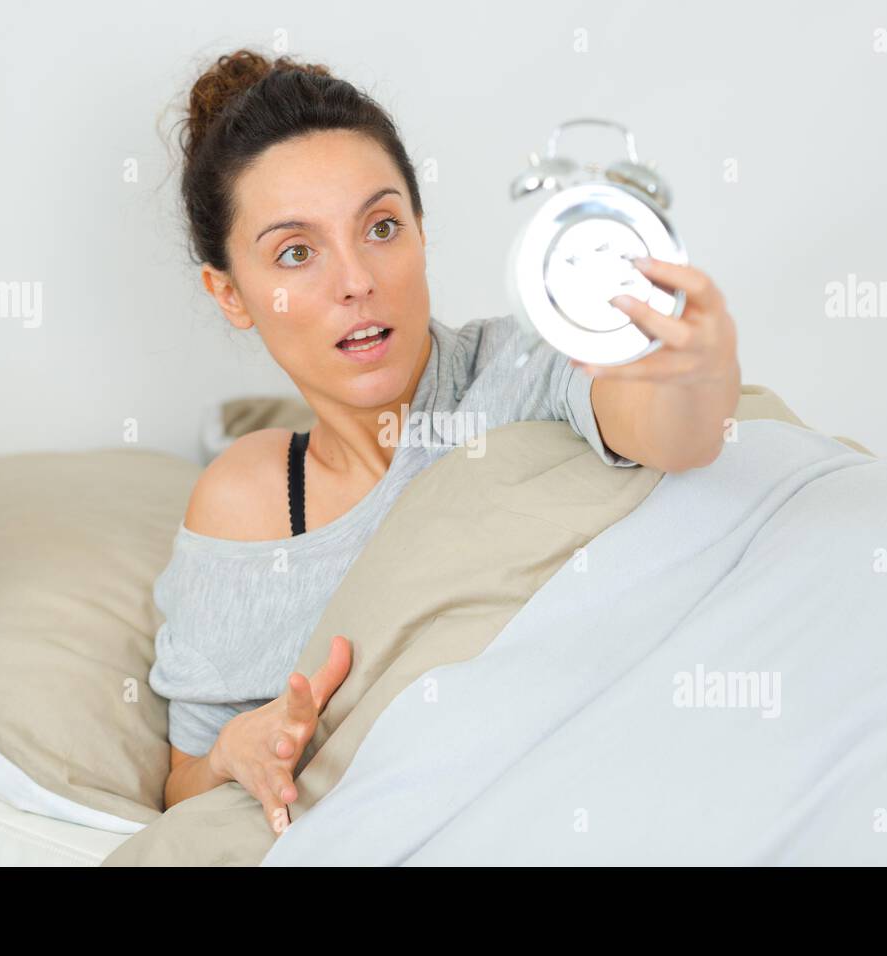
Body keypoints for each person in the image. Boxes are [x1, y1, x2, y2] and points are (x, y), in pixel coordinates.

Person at [153, 48, 741, 834]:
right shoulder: (247, 505)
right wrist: (238, 748)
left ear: (422, 233)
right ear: (230, 293)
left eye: (382, 227)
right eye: (297, 252)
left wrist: (694, 371)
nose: (357, 279)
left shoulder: (526, 367)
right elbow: (182, 784)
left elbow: (672, 432)